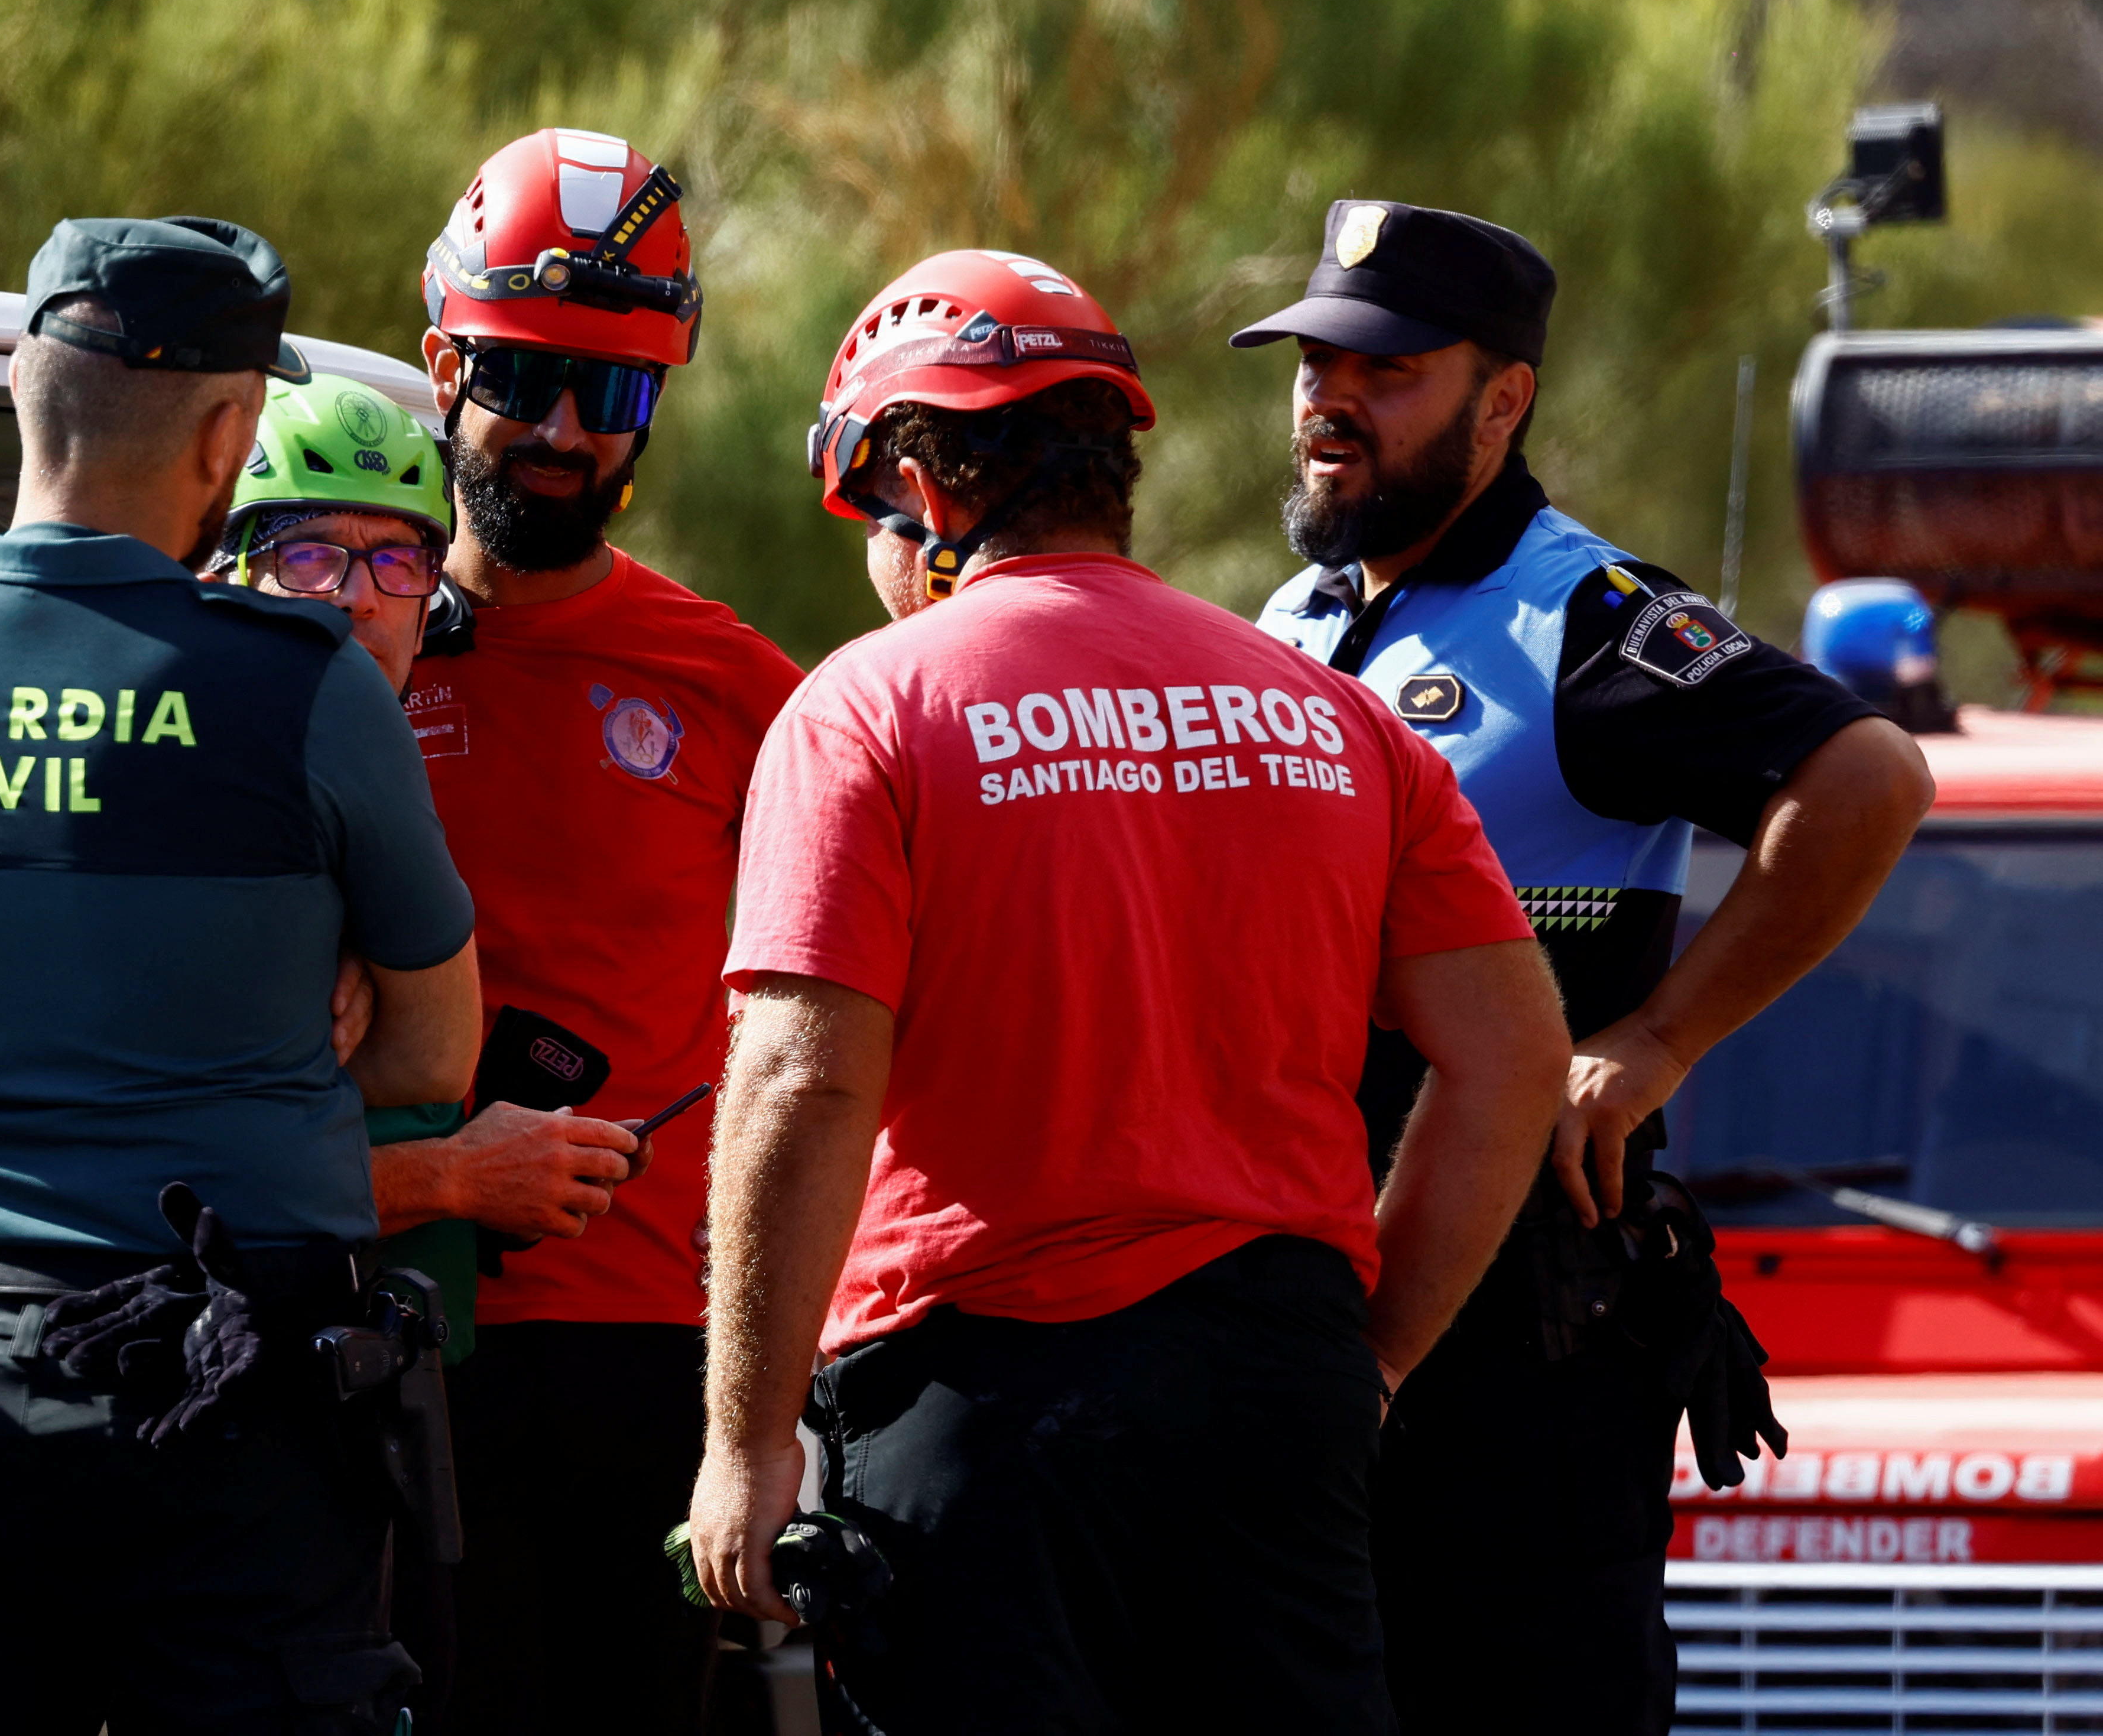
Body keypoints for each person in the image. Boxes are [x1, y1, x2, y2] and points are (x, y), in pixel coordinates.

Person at [690, 248, 1573, 1731]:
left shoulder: (868, 708)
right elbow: (1513, 1061)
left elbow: (801, 1081)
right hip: (1276, 1402)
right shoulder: (1334, 716)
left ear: (925, 479)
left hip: (980, 1409)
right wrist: (1374, 1361)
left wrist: (746, 1439)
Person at [1235, 201, 1937, 1735]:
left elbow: (1867, 782)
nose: (1326, 401)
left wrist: (1662, 1040)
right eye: (1308, 365)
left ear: (1503, 400)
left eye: (1386, 368)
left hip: (1515, 1360)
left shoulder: (1586, 621)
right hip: (1299, 1329)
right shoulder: (1289, 620)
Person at [0, 215, 483, 1734]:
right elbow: (438, 1058)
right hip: (229, 1408)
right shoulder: (300, 686)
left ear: (29, 393)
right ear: (233, 430)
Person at [407, 128, 805, 1735]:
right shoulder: (319, 647)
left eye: (616, 391)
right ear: (441, 361)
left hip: (646, 1357)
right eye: (526, 378)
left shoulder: (738, 688)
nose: (568, 431)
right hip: (372, 1319)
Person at [210, 371, 655, 1722]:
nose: (351, 594)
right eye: (306, 552)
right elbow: (189, 1188)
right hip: (237, 1404)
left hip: (411, 1385)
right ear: (230, 568)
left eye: (391, 556)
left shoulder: (390, 772)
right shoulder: (199, 812)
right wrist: (458, 1181)